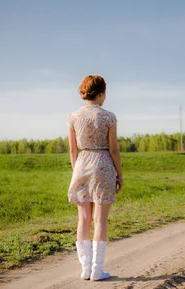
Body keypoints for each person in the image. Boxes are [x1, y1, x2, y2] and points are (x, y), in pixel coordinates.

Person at [66, 75, 123, 281]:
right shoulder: (109, 117)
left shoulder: (73, 116)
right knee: (100, 220)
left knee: (83, 219)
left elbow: (73, 151)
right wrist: (120, 175)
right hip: (103, 165)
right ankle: (97, 270)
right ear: (101, 94)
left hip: (81, 164)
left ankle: (85, 268)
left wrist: (77, 171)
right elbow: (114, 150)